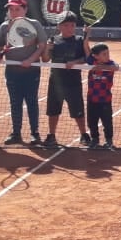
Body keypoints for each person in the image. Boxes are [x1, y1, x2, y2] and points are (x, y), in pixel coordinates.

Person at [0, 0, 47, 145]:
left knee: (32, 102)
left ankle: (35, 134)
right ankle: (16, 133)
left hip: (31, 71)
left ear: (25, 9)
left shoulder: (34, 24)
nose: (14, 12)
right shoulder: (4, 26)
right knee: (15, 102)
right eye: (11, 9)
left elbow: (42, 46)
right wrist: (0, 53)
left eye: (17, 9)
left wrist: (31, 60)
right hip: (12, 71)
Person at [41, 10, 89, 147]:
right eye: (66, 25)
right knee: (53, 110)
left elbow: (87, 58)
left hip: (73, 82)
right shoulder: (53, 40)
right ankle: (51, 135)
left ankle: (84, 135)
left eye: (72, 25)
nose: (70, 28)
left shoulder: (79, 40)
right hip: (55, 83)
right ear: (59, 26)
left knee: (78, 111)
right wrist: (47, 49)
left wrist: (75, 62)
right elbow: (45, 59)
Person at [84, 42, 118, 150]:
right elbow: (86, 49)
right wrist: (86, 36)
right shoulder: (92, 61)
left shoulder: (110, 63)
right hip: (92, 99)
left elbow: (116, 67)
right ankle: (95, 139)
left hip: (105, 100)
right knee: (92, 121)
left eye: (108, 53)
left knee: (107, 122)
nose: (107, 55)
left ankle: (109, 140)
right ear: (96, 56)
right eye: (104, 54)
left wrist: (102, 67)